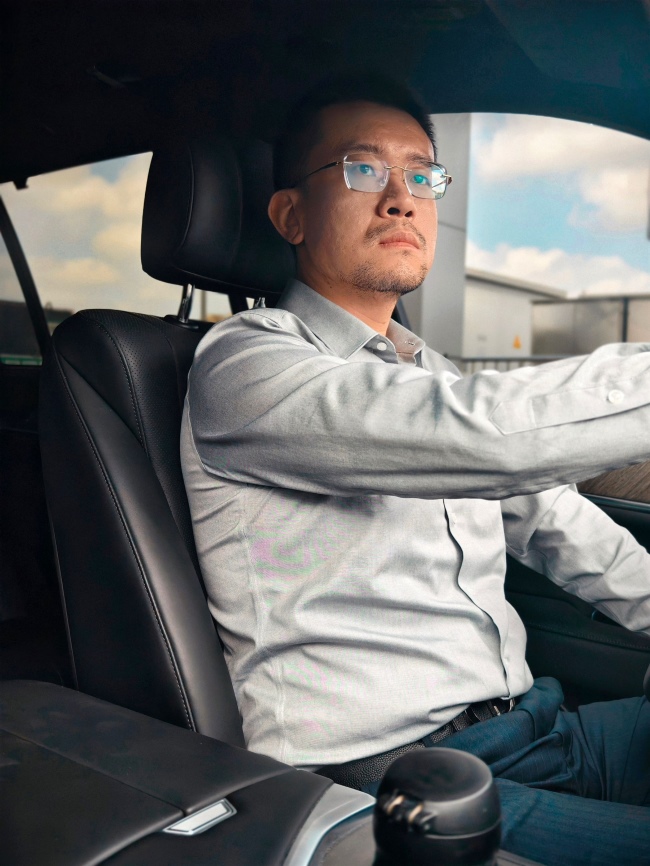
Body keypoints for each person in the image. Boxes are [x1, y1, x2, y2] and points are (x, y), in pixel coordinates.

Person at [180, 75, 650, 864]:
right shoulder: (245, 364)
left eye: (423, 176)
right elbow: (487, 436)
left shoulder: (429, 373)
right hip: (394, 780)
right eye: (363, 169)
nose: (402, 198)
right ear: (291, 215)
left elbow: (557, 523)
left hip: (532, 729)